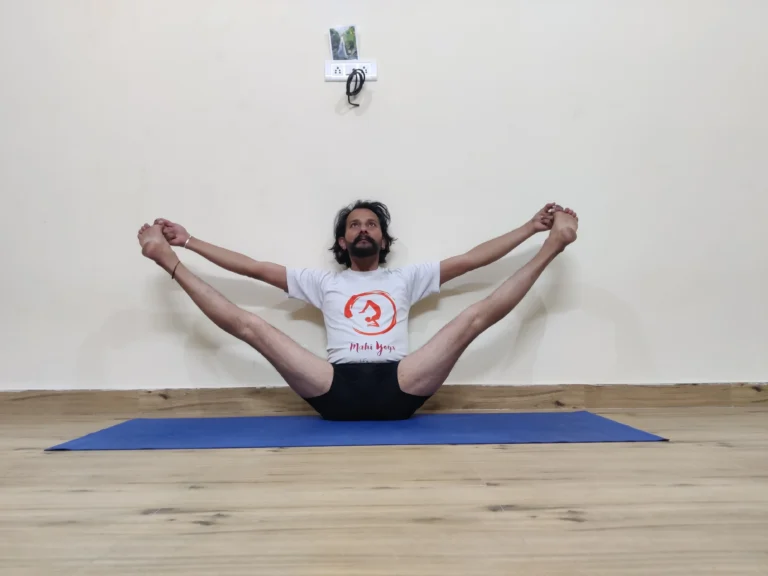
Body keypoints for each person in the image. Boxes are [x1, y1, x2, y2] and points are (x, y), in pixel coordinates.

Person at [137, 200, 578, 420]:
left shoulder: (405, 279)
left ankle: (552, 247)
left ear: (383, 240)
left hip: (401, 383)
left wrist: (530, 229)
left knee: (471, 319)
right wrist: (187, 242)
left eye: (371, 224)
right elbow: (252, 268)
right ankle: (167, 261)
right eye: (354, 226)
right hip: (334, 389)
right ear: (344, 242)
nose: (363, 230)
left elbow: (472, 259)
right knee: (252, 326)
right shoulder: (323, 282)